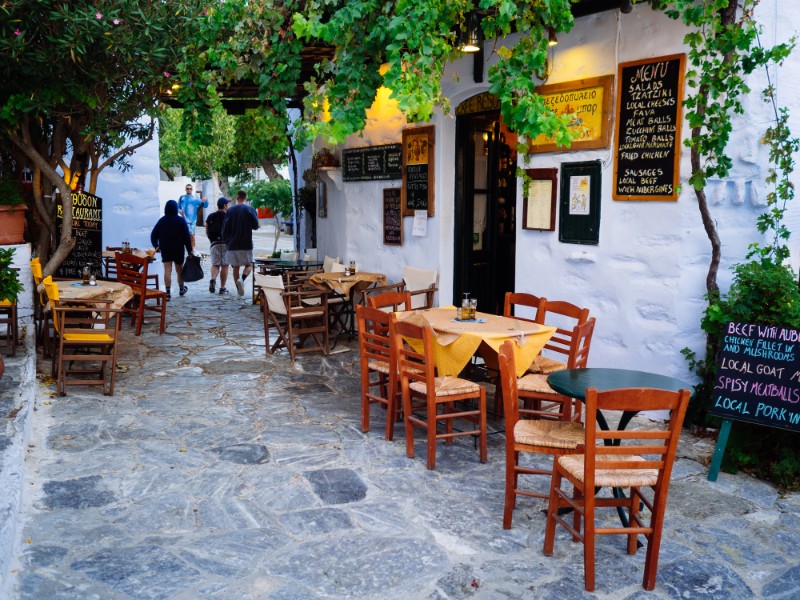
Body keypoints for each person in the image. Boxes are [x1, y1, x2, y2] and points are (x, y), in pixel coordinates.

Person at [150, 200, 192, 300]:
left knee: (167, 270)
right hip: (178, 248)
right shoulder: (181, 220)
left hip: (166, 248)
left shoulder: (162, 220)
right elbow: (186, 237)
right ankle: (181, 289)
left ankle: (167, 293)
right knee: (179, 270)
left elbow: (153, 235)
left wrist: (156, 246)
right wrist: (190, 250)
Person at [222, 189, 259, 296]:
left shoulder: (230, 210)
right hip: (245, 243)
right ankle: (242, 280)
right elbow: (255, 226)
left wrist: (226, 241)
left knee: (235, 266)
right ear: (245, 198)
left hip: (232, 244)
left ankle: (239, 289)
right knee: (249, 265)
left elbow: (225, 228)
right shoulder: (250, 209)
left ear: (237, 197)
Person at [205, 196, 230, 294]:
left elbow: (207, 230)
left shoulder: (211, 216)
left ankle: (213, 279)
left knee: (215, 264)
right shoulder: (228, 216)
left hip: (214, 243)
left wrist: (211, 240)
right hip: (225, 243)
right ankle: (222, 287)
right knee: (225, 265)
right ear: (224, 206)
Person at [178, 183, 208, 249]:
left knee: (192, 237)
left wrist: (206, 200)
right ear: (185, 189)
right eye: (187, 189)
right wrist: (179, 211)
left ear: (192, 190)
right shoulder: (181, 198)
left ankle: (192, 251)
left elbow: (205, 205)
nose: (189, 190)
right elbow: (177, 207)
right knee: (182, 236)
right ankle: (183, 251)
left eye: (190, 189)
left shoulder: (195, 199)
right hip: (183, 220)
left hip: (192, 221)